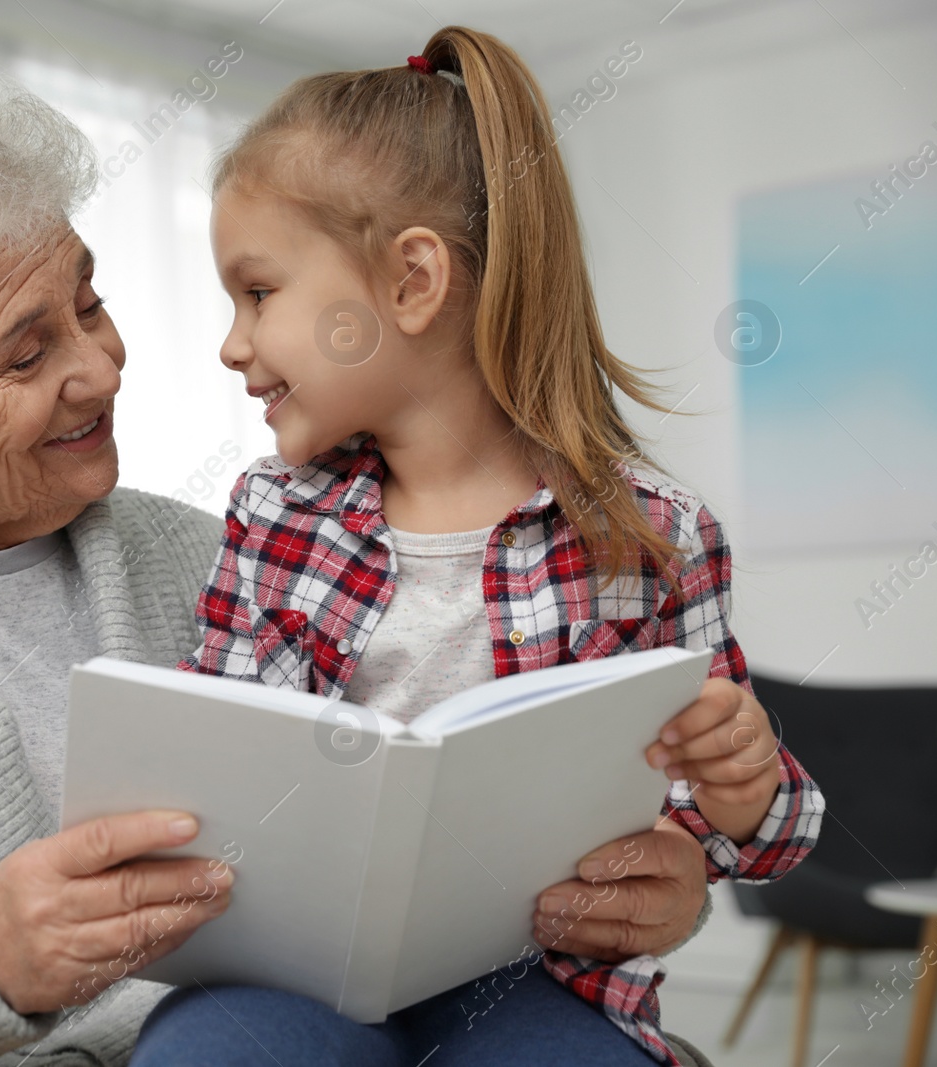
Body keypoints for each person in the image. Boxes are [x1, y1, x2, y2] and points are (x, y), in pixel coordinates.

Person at [0, 69, 740, 1067]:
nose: (101, 367)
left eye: (90, 301)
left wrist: (661, 883)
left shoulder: (232, 554)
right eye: (28, 350)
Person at [149, 26, 823, 1067]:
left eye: (260, 292)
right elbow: (225, 777)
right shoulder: (272, 514)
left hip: (537, 981)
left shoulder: (652, 534)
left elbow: (752, 828)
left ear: (413, 281)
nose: (232, 342)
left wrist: (731, 794)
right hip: (300, 974)